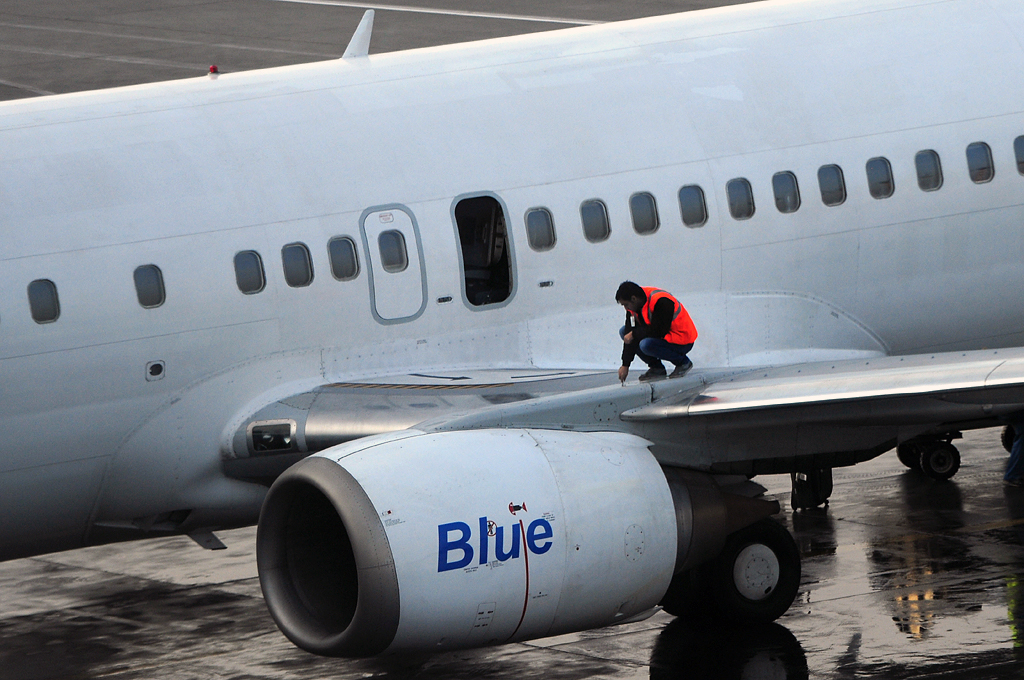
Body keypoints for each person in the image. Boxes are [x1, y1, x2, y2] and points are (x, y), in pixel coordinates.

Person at [615, 281, 697, 383]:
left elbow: (659, 331)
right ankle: (657, 368)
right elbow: (629, 337)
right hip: (665, 338)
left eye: (626, 305)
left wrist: (634, 334)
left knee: (646, 345)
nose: (626, 308)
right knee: (624, 332)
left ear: (634, 299)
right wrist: (625, 365)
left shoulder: (661, 300)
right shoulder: (633, 309)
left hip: (682, 340)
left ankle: (683, 363)